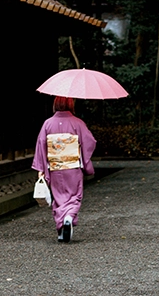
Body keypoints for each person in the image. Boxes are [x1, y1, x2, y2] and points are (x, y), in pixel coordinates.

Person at [31, 96, 97, 243]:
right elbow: (90, 141)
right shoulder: (78, 123)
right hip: (73, 167)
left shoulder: (47, 124)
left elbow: (41, 145)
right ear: (70, 105)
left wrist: (41, 168)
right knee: (74, 196)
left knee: (59, 198)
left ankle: (61, 229)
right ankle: (68, 218)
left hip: (55, 168)